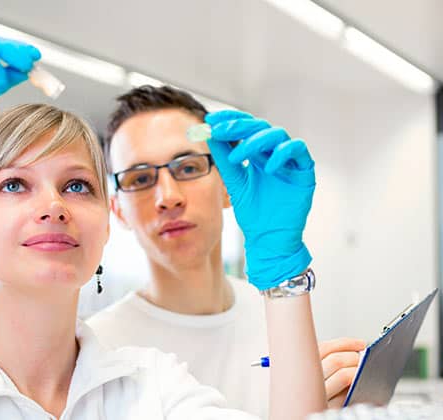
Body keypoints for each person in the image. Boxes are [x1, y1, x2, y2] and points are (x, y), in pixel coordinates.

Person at [0, 24, 328, 419]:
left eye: (77, 186)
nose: (54, 205)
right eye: (14, 184)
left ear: (105, 224)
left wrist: (281, 270)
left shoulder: (151, 389)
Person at [86, 86, 365, 417]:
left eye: (188, 167)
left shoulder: (281, 311)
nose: (168, 197)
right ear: (118, 211)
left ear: (227, 185)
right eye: (140, 177)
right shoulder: (96, 347)